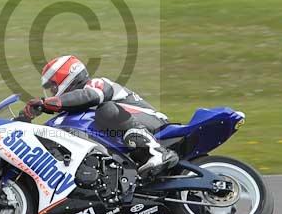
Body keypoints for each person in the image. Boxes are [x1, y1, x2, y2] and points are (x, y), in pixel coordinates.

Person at [21, 55, 178, 174]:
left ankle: (158, 152)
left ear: (67, 78)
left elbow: (91, 96)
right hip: (128, 136)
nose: (52, 92)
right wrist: (25, 119)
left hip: (153, 123)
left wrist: (47, 103)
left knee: (106, 110)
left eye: (53, 87)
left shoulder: (96, 83)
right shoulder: (74, 108)